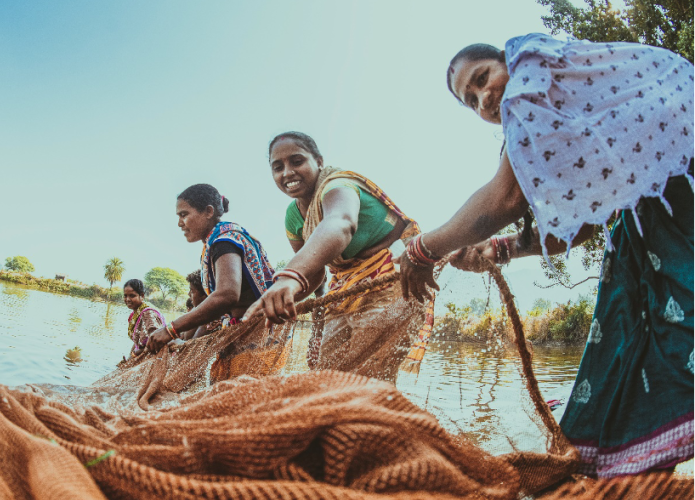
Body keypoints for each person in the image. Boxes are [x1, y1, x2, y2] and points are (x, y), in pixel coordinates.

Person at [400, 33, 695, 478]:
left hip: (681, 190)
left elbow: (502, 201)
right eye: (471, 100)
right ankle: (632, 466)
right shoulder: (551, 125)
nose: (484, 98)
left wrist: (422, 250)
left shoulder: (534, 69)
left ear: (506, 61)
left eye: (482, 78)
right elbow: (574, 231)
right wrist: (497, 249)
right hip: (651, 213)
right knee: (626, 340)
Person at [243, 131, 427, 383]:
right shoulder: (293, 216)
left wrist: (288, 276)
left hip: (390, 279)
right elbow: (315, 272)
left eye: (297, 161)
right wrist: (280, 301)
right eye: (278, 167)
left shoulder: (338, 185)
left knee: (368, 382)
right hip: (344, 290)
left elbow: (341, 223)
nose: (287, 173)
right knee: (326, 378)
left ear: (318, 161)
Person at [146, 184, 283, 382]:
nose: (179, 223)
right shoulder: (223, 237)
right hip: (249, 334)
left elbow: (227, 294)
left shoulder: (223, 241)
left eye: (184, 214)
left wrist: (170, 330)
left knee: (239, 404)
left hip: (256, 337)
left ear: (208, 211)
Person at [123, 279, 166, 358]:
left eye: (132, 296)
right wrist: (130, 356)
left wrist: (134, 355)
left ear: (142, 296)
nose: (128, 299)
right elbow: (137, 342)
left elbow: (157, 341)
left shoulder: (148, 313)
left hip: (152, 357)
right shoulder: (135, 314)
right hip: (142, 354)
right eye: (125, 296)